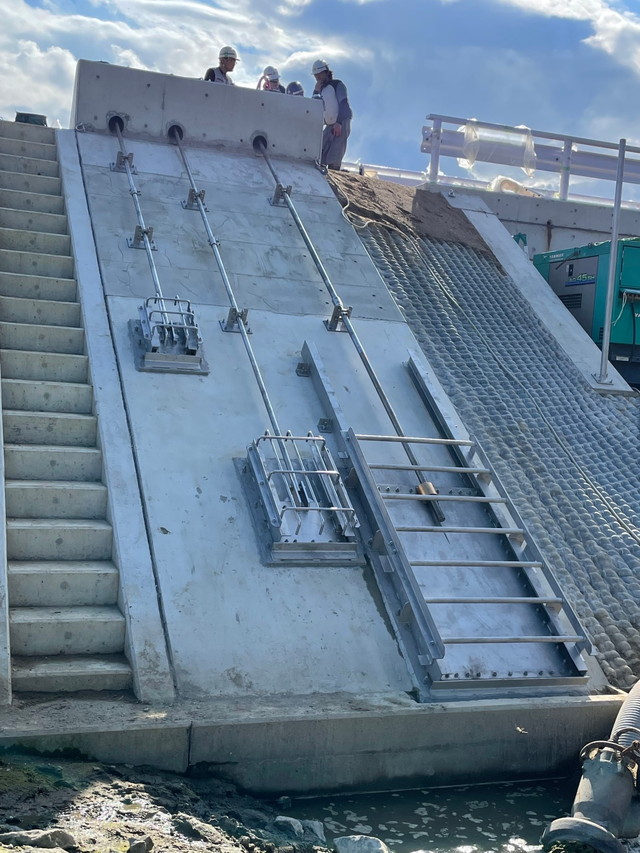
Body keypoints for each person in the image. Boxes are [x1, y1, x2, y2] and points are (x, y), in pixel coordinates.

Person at [311, 59, 352, 170]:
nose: (318, 77)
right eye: (316, 75)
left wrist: (339, 123)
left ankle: (335, 171)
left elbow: (343, 104)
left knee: (335, 153)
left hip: (341, 122)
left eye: (320, 74)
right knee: (319, 151)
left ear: (326, 72)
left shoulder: (336, 84)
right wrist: (316, 91)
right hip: (329, 125)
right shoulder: (321, 89)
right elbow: (314, 107)